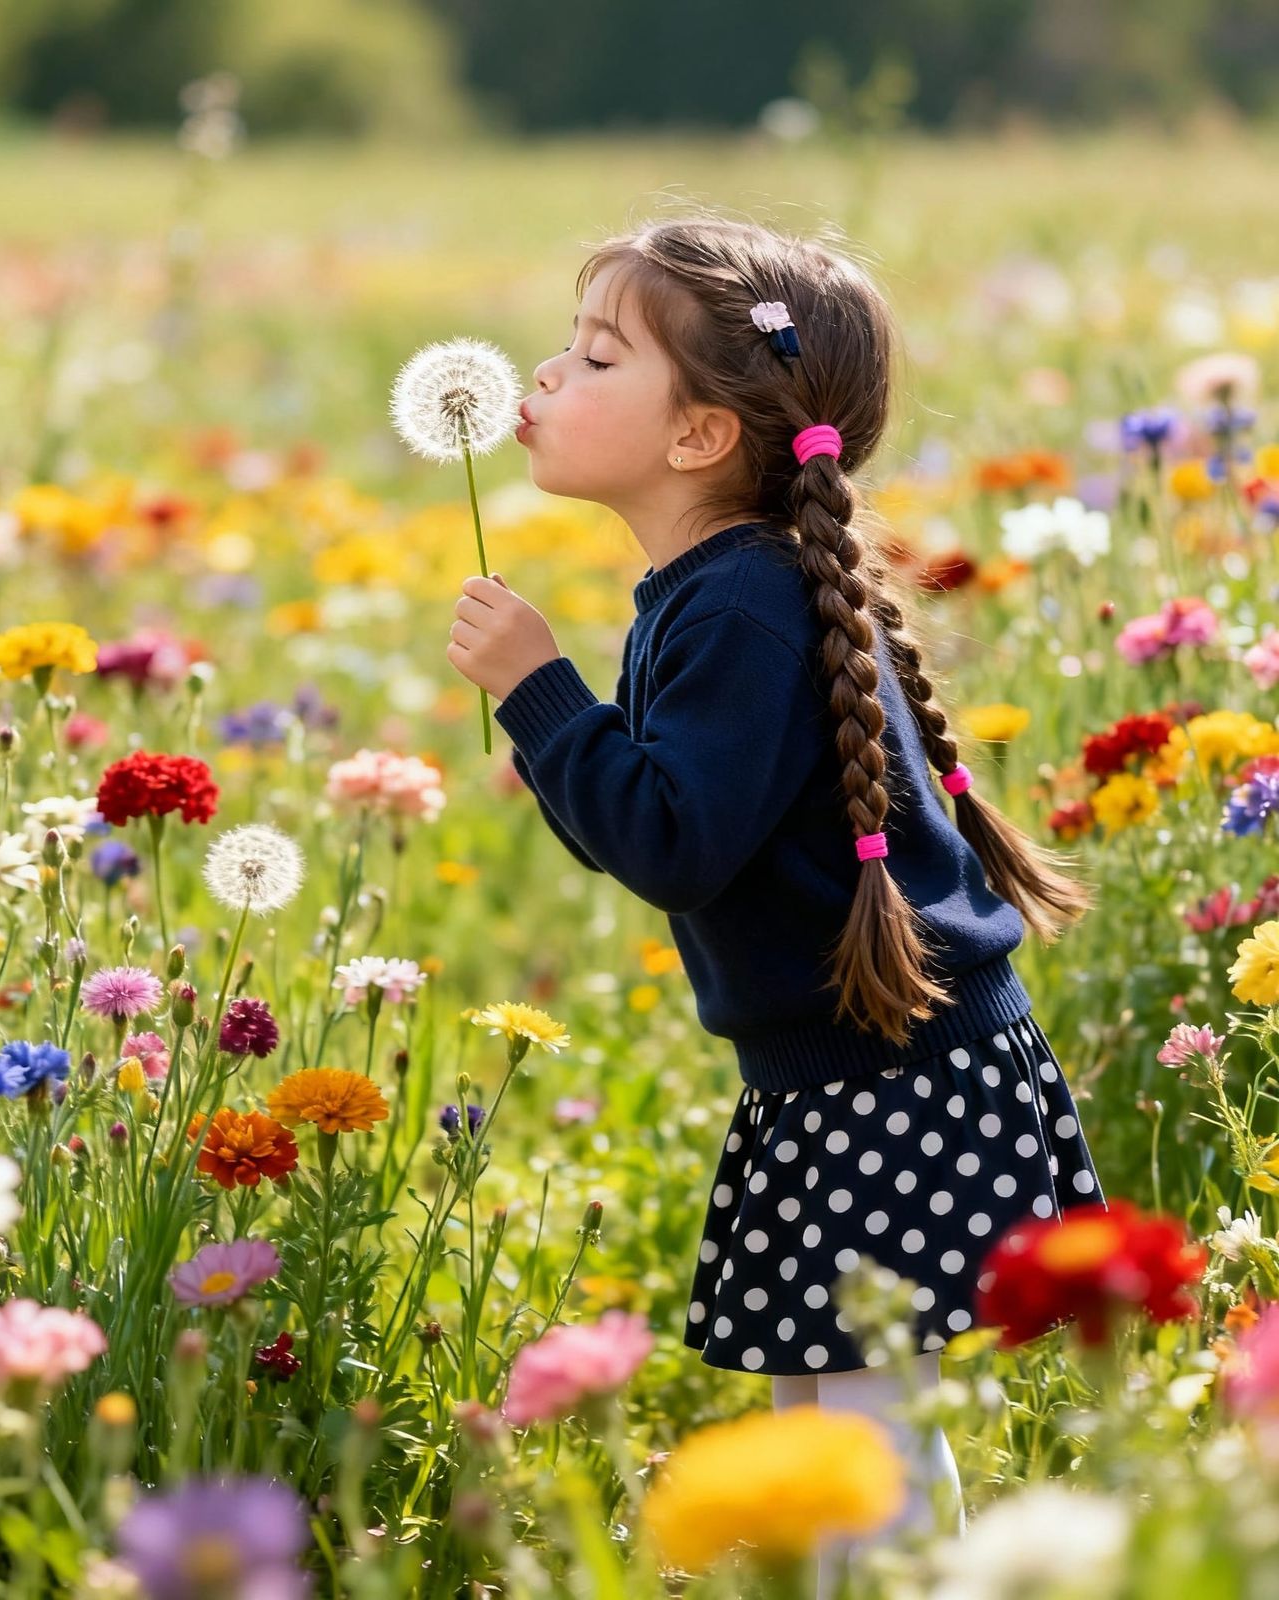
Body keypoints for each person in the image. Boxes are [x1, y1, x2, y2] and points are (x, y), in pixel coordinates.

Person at [445, 213, 1109, 1589]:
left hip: (892, 1091)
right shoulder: (720, 590)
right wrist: (564, 719)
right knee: (833, 1448)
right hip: (860, 1081)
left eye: (594, 356)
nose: (547, 377)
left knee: (864, 1471)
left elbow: (671, 845)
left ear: (698, 438)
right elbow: (658, 834)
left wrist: (536, 689)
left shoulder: (741, 604)